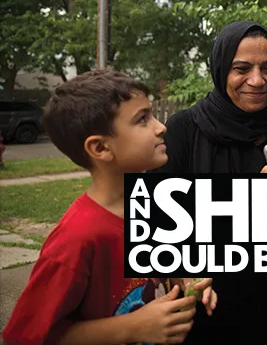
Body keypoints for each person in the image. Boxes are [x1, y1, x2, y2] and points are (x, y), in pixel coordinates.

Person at [2, 69, 216, 345]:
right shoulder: (76, 240)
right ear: (101, 148)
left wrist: (185, 282)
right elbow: (23, 337)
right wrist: (132, 327)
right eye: (142, 119)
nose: (161, 127)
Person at [152, 20, 267, 344]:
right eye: (241, 68)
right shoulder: (184, 131)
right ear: (221, 69)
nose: (257, 80)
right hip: (206, 306)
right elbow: (158, 225)